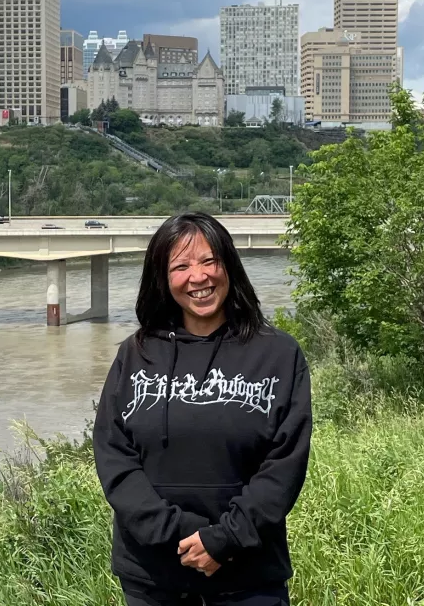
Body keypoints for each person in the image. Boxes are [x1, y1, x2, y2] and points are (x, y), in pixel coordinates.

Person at [93, 212, 312, 606]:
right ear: (162, 278)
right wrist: (178, 534)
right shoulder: (136, 353)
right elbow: (114, 458)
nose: (199, 277)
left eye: (209, 261)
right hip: (152, 578)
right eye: (181, 265)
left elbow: (284, 466)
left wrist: (224, 539)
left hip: (250, 576)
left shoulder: (278, 354)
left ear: (229, 265)